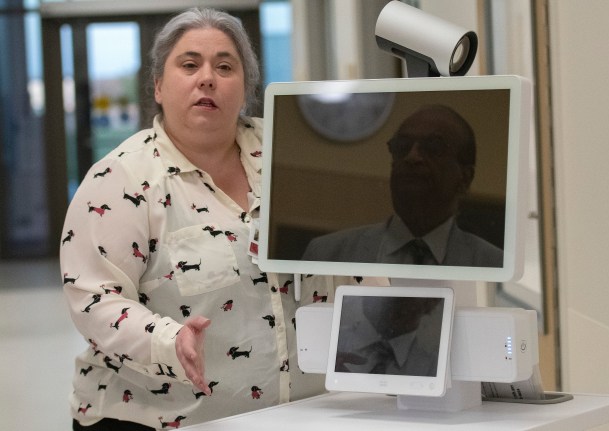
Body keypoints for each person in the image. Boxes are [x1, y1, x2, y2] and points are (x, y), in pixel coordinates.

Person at [60, 8, 330, 430]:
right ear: (159, 86)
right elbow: (95, 300)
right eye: (189, 65)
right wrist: (169, 342)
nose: (207, 77)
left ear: (246, 89)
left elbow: (349, 258)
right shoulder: (122, 178)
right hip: (155, 419)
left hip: (297, 413)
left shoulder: (294, 156)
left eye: (225, 66)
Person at [303, 104, 503, 268]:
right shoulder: (326, 254)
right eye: (402, 147)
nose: (412, 157)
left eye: (433, 147)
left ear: (465, 178)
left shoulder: (494, 265)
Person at [334, 296, 444, 376]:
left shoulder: (434, 367)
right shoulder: (335, 344)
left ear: (432, 302)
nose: (387, 300)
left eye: (401, 299)